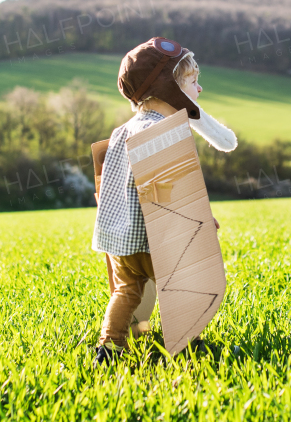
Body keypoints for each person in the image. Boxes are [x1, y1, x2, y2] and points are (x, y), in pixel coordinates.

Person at [92, 36, 238, 363]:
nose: (199, 90)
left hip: (120, 239)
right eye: (193, 81)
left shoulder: (121, 132)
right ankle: (188, 346)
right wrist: (199, 218)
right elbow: (166, 189)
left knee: (126, 291)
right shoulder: (165, 131)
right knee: (185, 288)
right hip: (154, 238)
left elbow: (107, 187)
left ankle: (110, 346)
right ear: (167, 86)